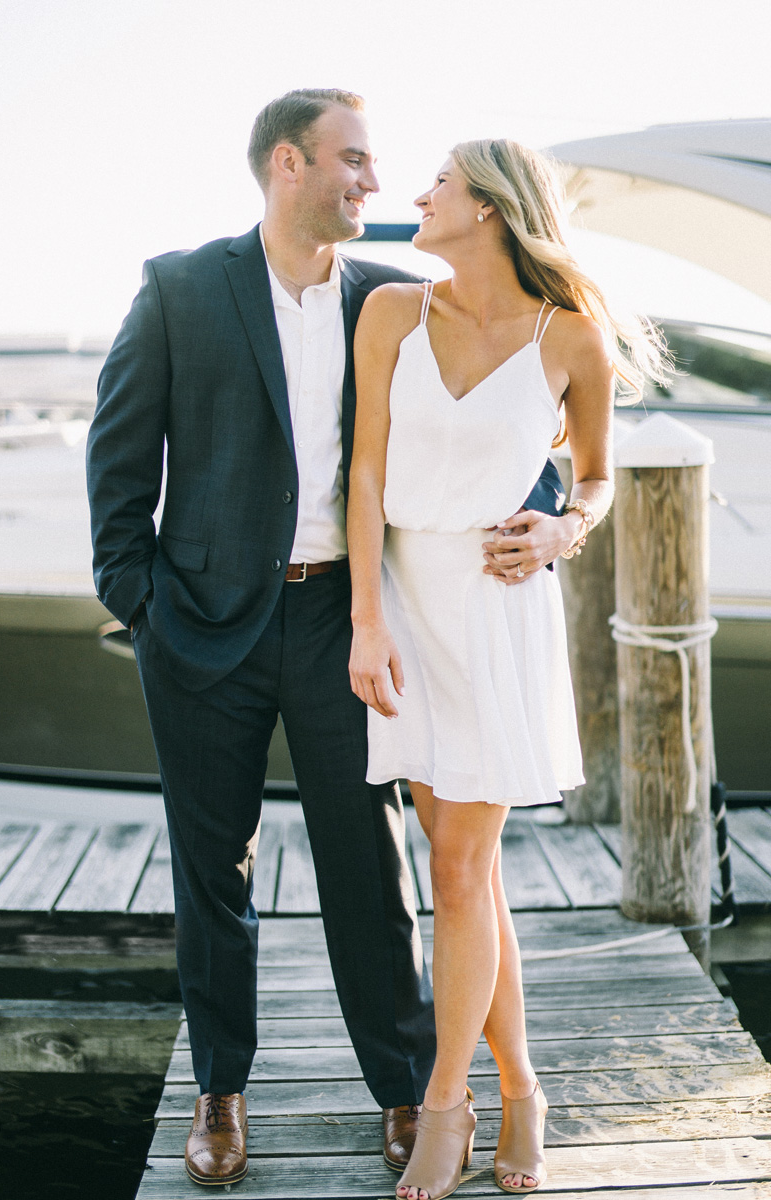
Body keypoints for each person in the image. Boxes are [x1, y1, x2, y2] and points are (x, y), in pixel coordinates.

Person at [86, 91, 571, 1188]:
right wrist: (146, 607)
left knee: (369, 865)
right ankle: (220, 1089)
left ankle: (405, 1091)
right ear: (287, 164)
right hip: (199, 627)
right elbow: (117, 467)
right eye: (353, 161)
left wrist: (552, 516)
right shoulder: (178, 288)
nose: (372, 182)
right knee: (212, 868)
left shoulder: (393, 300)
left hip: (343, 621)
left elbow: (490, 422)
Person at [347, 138, 666, 1199]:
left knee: (454, 871)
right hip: (404, 602)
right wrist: (363, 620)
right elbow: (362, 471)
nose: (415, 194)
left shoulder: (568, 336)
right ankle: (522, 1085)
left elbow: (595, 480)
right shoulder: (392, 311)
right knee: (465, 871)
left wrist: (561, 531)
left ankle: (449, 1100)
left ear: (488, 207)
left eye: (435, 183)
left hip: (496, 608)